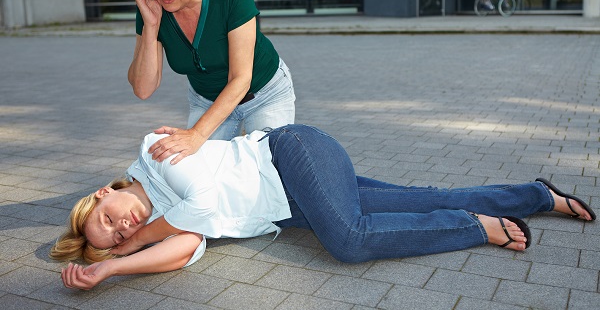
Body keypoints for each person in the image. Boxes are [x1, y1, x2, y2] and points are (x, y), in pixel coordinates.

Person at [50, 124, 596, 291]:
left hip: (293, 154)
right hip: (300, 200)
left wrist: (138, 240)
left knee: (350, 240)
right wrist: (114, 266)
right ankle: (537, 194)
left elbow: (207, 201)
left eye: (107, 221)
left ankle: (474, 228)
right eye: (116, 235)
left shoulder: (154, 150)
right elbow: (187, 244)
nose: (123, 226)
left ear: (104, 193)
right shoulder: (164, 226)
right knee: (418, 200)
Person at [127, 0, 295, 165]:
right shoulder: (151, 7)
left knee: (271, 169)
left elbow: (241, 78)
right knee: (193, 168)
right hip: (207, 101)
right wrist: (151, 25)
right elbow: (143, 88)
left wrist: (196, 135)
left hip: (263, 94)